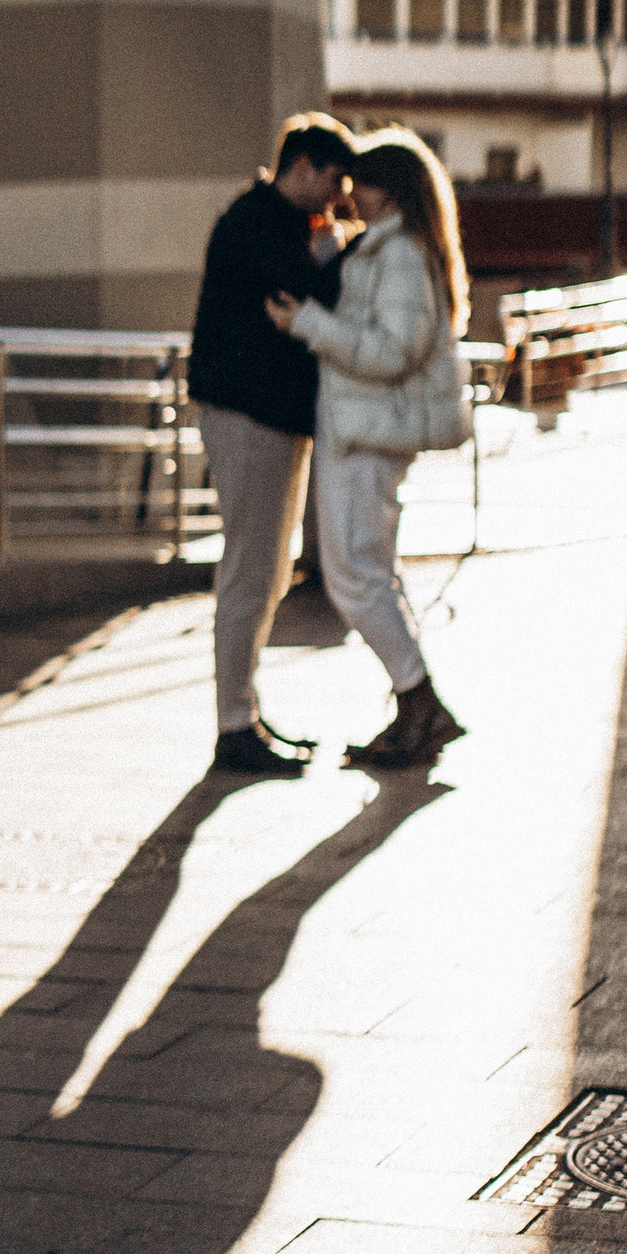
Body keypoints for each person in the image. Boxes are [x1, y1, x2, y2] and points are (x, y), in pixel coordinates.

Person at [266, 128, 471, 771]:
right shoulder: (391, 248)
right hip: (363, 431)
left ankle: (419, 701)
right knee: (369, 572)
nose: (351, 197)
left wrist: (307, 323)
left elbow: (391, 351)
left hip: (368, 435)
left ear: (387, 191)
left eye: (360, 186)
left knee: (353, 578)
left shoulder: (402, 253)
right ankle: (416, 706)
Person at [189, 113, 355, 777]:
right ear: (305, 166)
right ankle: (234, 726)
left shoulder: (272, 220)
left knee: (266, 570)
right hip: (248, 413)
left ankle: (244, 715)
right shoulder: (258, 222)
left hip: (268, 414)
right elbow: (303, 297)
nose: (338, 197)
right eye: (335, 179)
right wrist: (332, 257)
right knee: (251, 570)